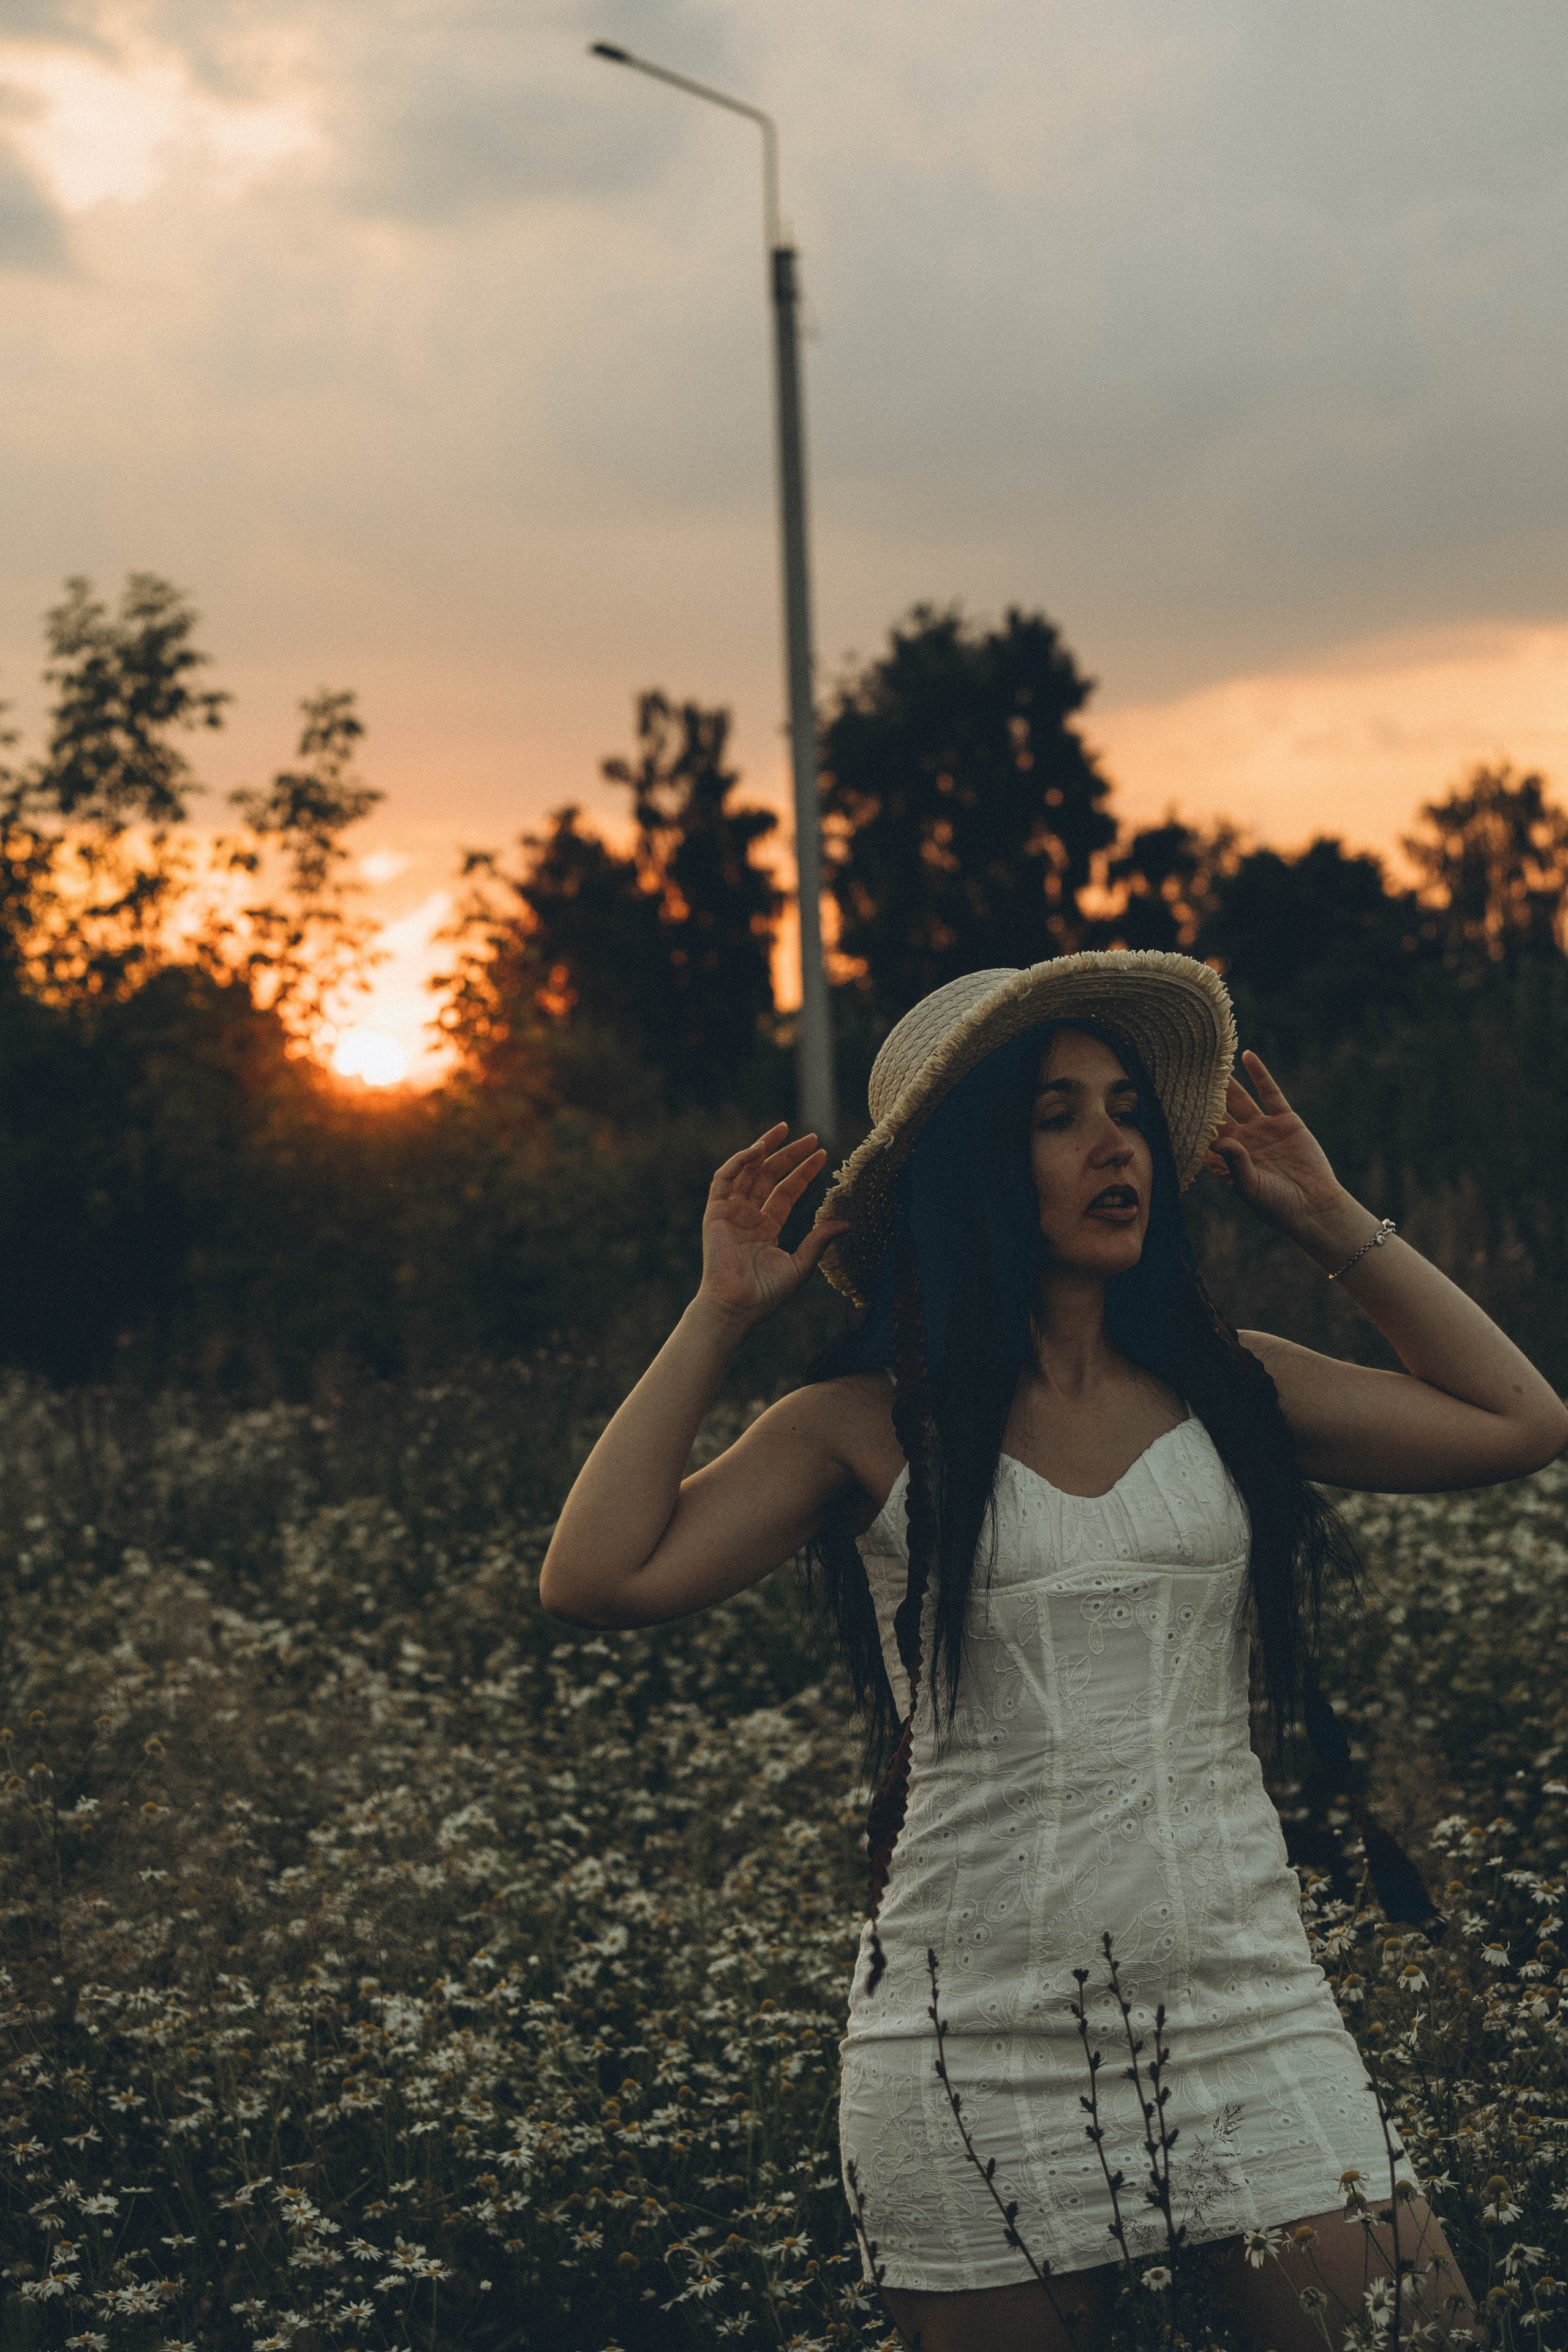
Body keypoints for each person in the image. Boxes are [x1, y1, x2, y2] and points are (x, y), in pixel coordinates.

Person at [540, 951, 1568, 2352]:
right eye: (1056, 1116)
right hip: (969, 2047)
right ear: (973, 1166)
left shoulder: (1232, 1383)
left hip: (1246, 2011)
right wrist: (718, 1315)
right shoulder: (859, 1425)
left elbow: (1520, 1422)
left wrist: (1331, 1221)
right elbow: (594, 1576)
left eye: (1127, 1111)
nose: (1114, 1145)